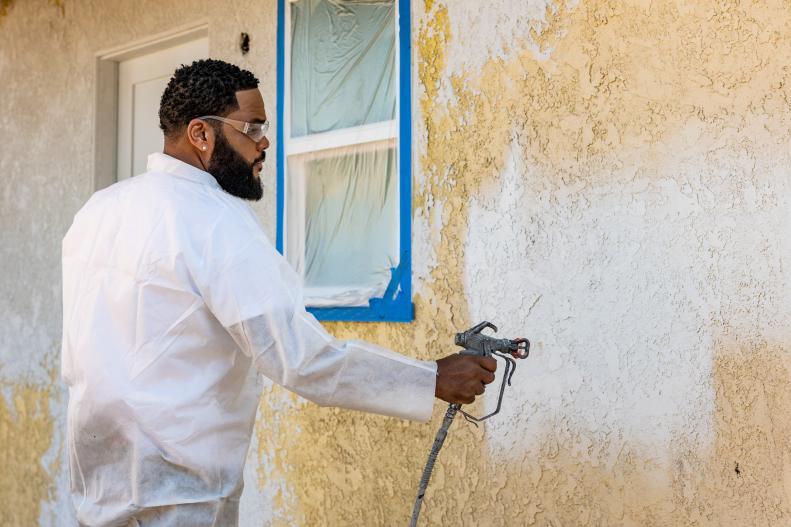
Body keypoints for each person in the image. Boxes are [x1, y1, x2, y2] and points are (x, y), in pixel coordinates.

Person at [61, 59, 496, 526]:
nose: (264, 142)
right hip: (179, 500)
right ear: (201, 134)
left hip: (96, 493)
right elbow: (299, 357)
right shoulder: (216, 223)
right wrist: (430, 378)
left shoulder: (99, 210)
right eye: (252, 128)